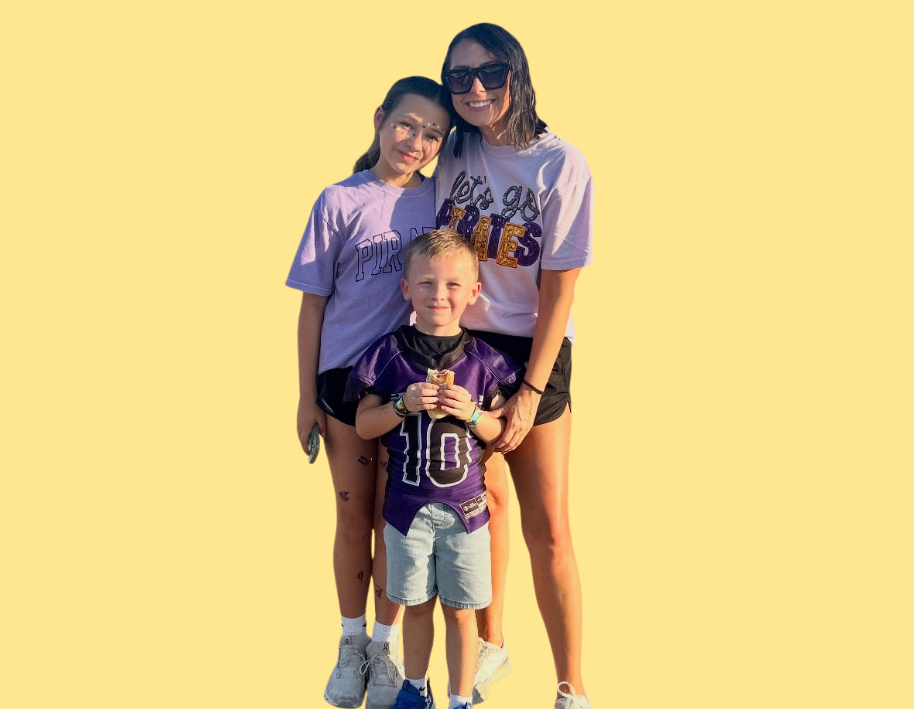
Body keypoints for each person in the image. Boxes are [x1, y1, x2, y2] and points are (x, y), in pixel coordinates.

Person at [435, 23, 595, 709]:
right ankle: (493, 644)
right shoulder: (449, 151)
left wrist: (532, 387)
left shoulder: (559, 163)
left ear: (517, 76)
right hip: (460, 347)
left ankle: (572, 683)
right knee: (481, 506)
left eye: (490, 74)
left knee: (549, 524)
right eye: (459, 78)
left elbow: (561, 284)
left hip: (533, 347)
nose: (474, 89)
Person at [285, 77, 454, 709]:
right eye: (406, 125)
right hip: (342, 384)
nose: (416, 141)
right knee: (354, 515)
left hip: (408, 381)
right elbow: (312, 309)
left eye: (433, 133)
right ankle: (350, 641)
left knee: (399, 521)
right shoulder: (338, 200)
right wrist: (304, 398)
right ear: (380, 118)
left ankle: (385, 649)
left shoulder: (438, 201)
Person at [347, 230, 522, 709]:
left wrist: (470, 413)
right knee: (417, 607)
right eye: (426, 283)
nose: (438, 295)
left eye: (451, 285)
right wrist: (401, 406)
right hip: (406, 512)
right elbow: (363, 424)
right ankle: (415, 687)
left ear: (474, 292)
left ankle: (460, 698)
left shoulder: (485, 361)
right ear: (406, 288)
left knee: (463, 613)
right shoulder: (389, 353)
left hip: (467, 513)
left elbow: (500, 431)